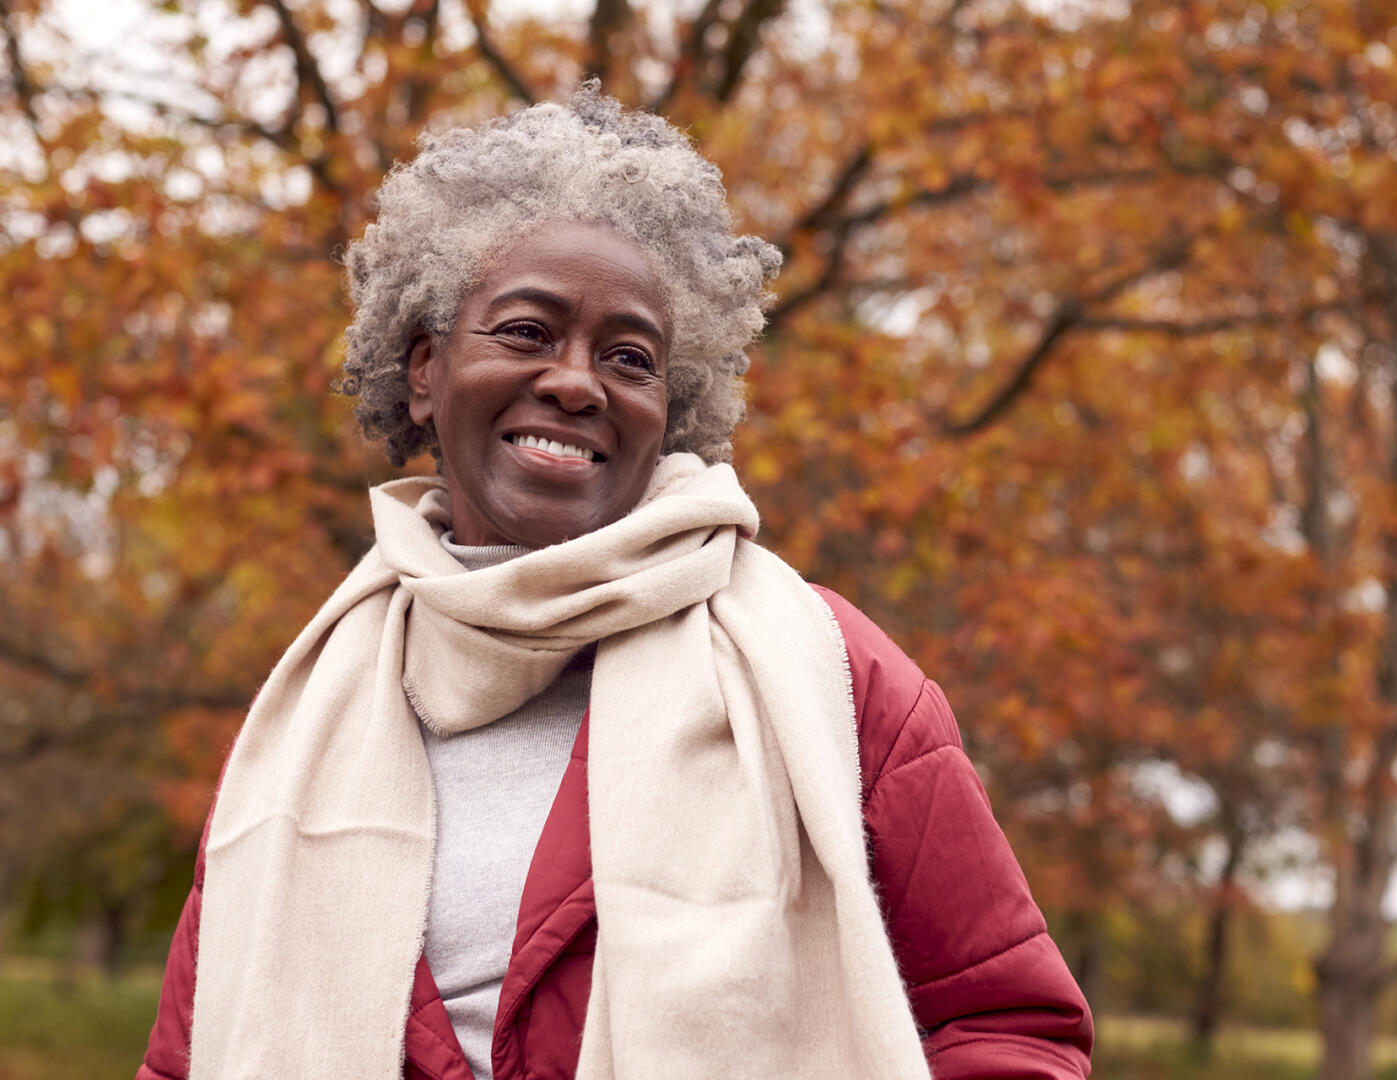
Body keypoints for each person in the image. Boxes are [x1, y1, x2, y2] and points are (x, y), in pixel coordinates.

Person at [138, 83, 1092, 1080]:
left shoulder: (831, 676)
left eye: (627, 356)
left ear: (668, 406)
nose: (576, 381)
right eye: (526, 331)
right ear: (424, 369)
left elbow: (1012, 1024)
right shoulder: (302, 717)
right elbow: (183, 1059)